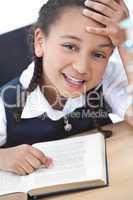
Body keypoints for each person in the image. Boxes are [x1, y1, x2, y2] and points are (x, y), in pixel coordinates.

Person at [0, 0, 130, 176]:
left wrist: (126, 38)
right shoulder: (6, 102)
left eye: (98, 54)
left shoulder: (106, 78)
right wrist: (3, 157)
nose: (82, 67)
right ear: (40, 42)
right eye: (70, 46)